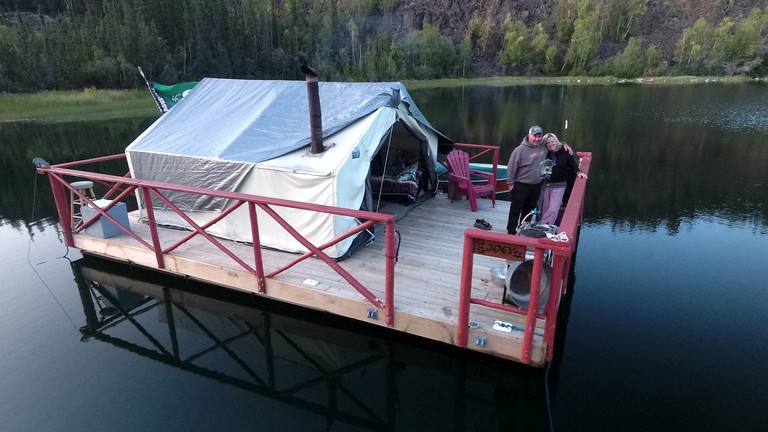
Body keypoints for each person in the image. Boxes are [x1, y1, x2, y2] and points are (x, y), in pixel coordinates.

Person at [505, 125, 548, 234]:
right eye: (535, 136)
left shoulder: (543, 146)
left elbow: (555, 144)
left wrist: (565, 145)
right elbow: (511, 167)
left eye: (539, 136)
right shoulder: (519, 150)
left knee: (529, 210)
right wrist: (510, 183)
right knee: (516, 209)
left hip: (536, 185)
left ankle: (524, 230)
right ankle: (511, 231)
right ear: (529, 135)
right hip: (521, 184)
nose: (537, 139)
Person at [539, 133, 587, 225]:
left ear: (556, 141)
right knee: (543, 208)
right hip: (545, 185)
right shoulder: (545, 153)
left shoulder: (565, 153)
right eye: (548, 143)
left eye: (552, 141)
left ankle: (543, 226)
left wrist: (579, 172)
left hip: (559, 186)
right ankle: (542, 225)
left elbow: (573, 166)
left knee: (553, 209)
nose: (551, 144)